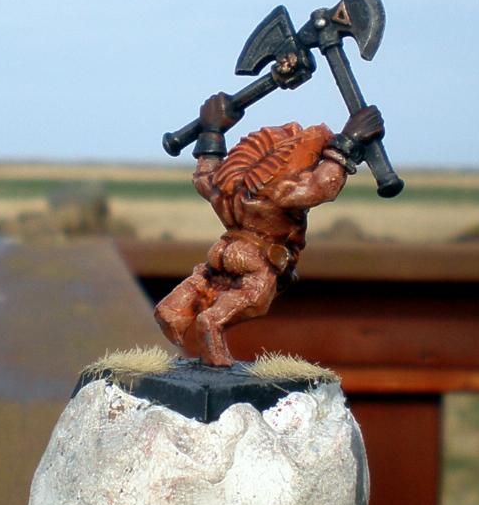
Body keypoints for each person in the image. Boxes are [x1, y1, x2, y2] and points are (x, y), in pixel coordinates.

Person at [154, 93, 384, 367]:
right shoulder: (281, 191)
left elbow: (204, 176)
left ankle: (174, 307)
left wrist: (212, 130)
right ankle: (212, 323)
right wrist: (348, 142)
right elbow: (322, 186)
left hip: (224, 248)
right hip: (257, 256)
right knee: (254, 297)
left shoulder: (228, 187)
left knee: (210, 278)